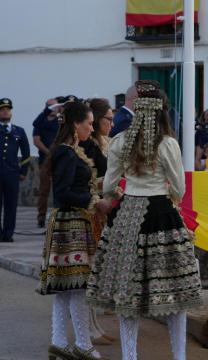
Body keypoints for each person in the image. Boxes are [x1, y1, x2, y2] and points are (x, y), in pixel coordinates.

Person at [86, 81, 203, 360]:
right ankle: (179, 357)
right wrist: (168, 198)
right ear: (161, 111)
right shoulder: (168, 143)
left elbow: (110, 186)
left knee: (128, 295)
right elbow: (179, 187)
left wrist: (122, 193)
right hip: (162, 214)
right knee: (177, 293)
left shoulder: (120, 141)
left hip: (127, 216)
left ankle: (130, 357)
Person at [36, 100, 111, 360]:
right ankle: (82, 343)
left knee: (67, 288)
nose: (91, 129)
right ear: (76, 124)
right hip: (72, 223)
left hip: (70, 222)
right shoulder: (67, 153)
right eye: (89, 123)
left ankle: (59, 340)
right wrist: (95, 202)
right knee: (78, 287)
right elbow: (64, 192)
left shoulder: (70, 151)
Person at [81, 98, 116, 346]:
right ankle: (88, 329)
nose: (111, 124)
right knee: (90, 271)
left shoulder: (104, 144)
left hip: (102, 211)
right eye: (108, 119)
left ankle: (94, 325)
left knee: (97, 271)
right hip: (92, 212)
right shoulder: (90, 147)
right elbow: (90, 181)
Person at [0, 98, 31, 242]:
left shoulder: (19, 131)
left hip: (12, 174)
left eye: (8, 109)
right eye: (2, 109)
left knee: (11, 205)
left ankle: (8, 234)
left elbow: (26, 153)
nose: (5, 111)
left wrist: (23, 171)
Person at [33, 96, 67, 227]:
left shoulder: (60, 120)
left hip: (59, 161)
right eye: (52, 106)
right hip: (45, 161)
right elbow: (36, 140)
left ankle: (58, 215)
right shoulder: (40, 121)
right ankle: (41, 217)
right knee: (44, 190)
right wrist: (49, 152)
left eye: (56, 106)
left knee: (60, 190)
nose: (55, 108)